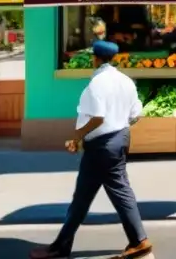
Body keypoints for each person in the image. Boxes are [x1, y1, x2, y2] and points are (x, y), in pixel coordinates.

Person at [30, 41, 151, 259]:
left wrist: (77, 137)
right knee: (93, 195)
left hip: (101, 146)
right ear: (113, 59)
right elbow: (136, 115)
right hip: (120, 139)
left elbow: (97, 117)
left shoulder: (97, 83)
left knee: (96, 195)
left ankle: (138, 240)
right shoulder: (126, 81)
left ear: (95, 58)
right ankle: (63, 245)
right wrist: (118, 129)